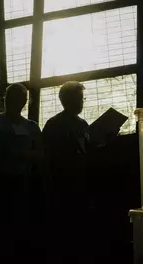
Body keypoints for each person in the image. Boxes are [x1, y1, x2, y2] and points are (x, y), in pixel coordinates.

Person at [0, 83, 42, 227]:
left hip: (18, 184)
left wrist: (21, 154)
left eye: (19, 98)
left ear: (25, 101)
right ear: (5, 99)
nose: (14, 102)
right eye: (11, 97)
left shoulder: (31, 126)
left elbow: (41, 154)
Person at [42, 81, 90, 209]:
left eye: (82, 98)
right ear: (68, 100)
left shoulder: (82, 124)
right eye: (80, 98)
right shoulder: (54, 125)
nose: (82, 102)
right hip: (63, 183)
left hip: (80, 181)